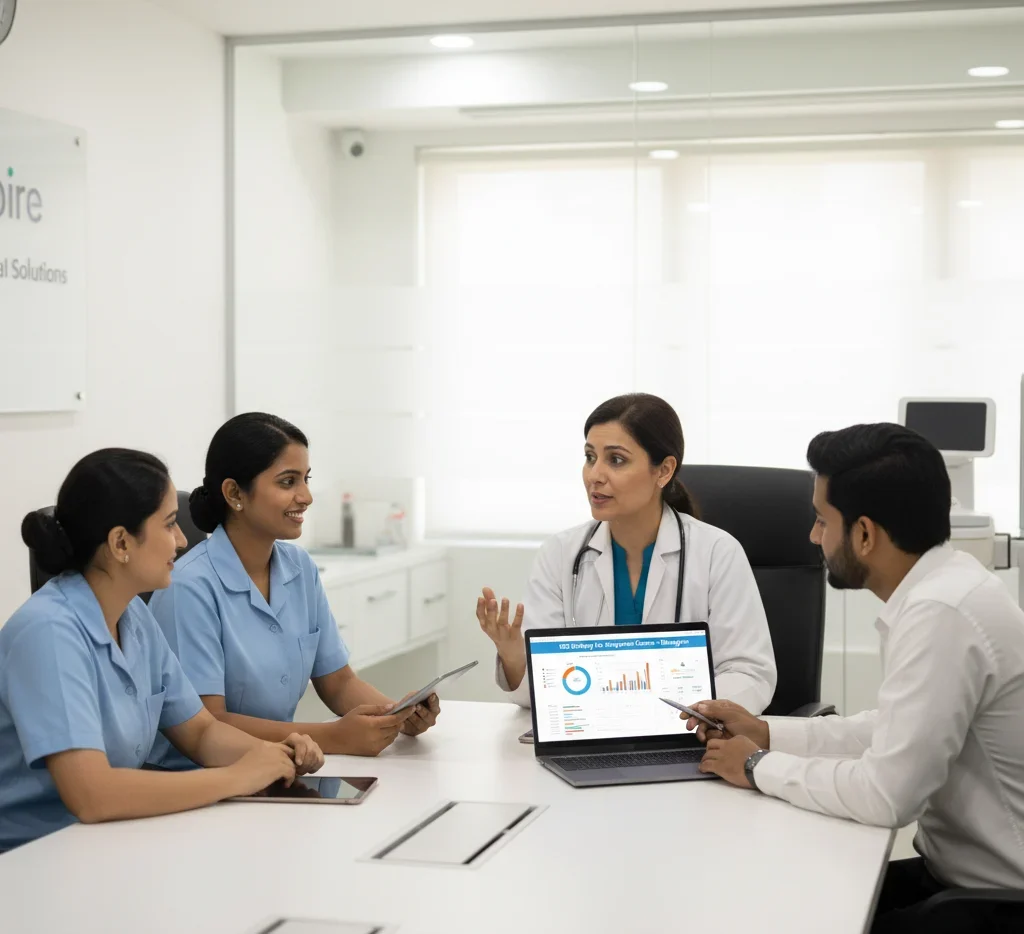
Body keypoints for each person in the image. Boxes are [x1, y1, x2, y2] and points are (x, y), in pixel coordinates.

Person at [689, 423, 1024, 933]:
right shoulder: (945, 588)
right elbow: (890, 729)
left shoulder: (942, 612)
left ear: (864, 534)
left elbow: (885, 795)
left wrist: (757, 766)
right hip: (961, 879)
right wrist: (767, 731)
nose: (812, 536)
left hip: (996, 903)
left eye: (822, 521)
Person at [0, 449, 324, 852]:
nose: (183, 540)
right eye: (170, 524)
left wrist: (273, 754)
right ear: (121, 542)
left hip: (107, 840)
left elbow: (201, 732)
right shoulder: (47, 632)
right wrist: (238, 777)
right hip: (32, 855)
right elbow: (92, 794)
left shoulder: (133, 613)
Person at [148, 413, 438, 768]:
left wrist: (395, 715)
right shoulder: (188, 588)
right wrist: (334, 737)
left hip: (272, 769)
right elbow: (209, 723)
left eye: (306, 479)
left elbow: (338, 682)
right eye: (288, 482)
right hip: (195, 780)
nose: (306, 496)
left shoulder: (299, 568)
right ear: (235, 493)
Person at [477, 393, 777, 712]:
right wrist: (514, 655)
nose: (595, 475)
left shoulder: (717, 553)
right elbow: (540, 696)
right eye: (590, 457)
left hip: (688, 737)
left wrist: (686, 714)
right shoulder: (561, 554)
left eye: (616, 460)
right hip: (590, 738)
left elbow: (749, 674)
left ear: (663, 471)